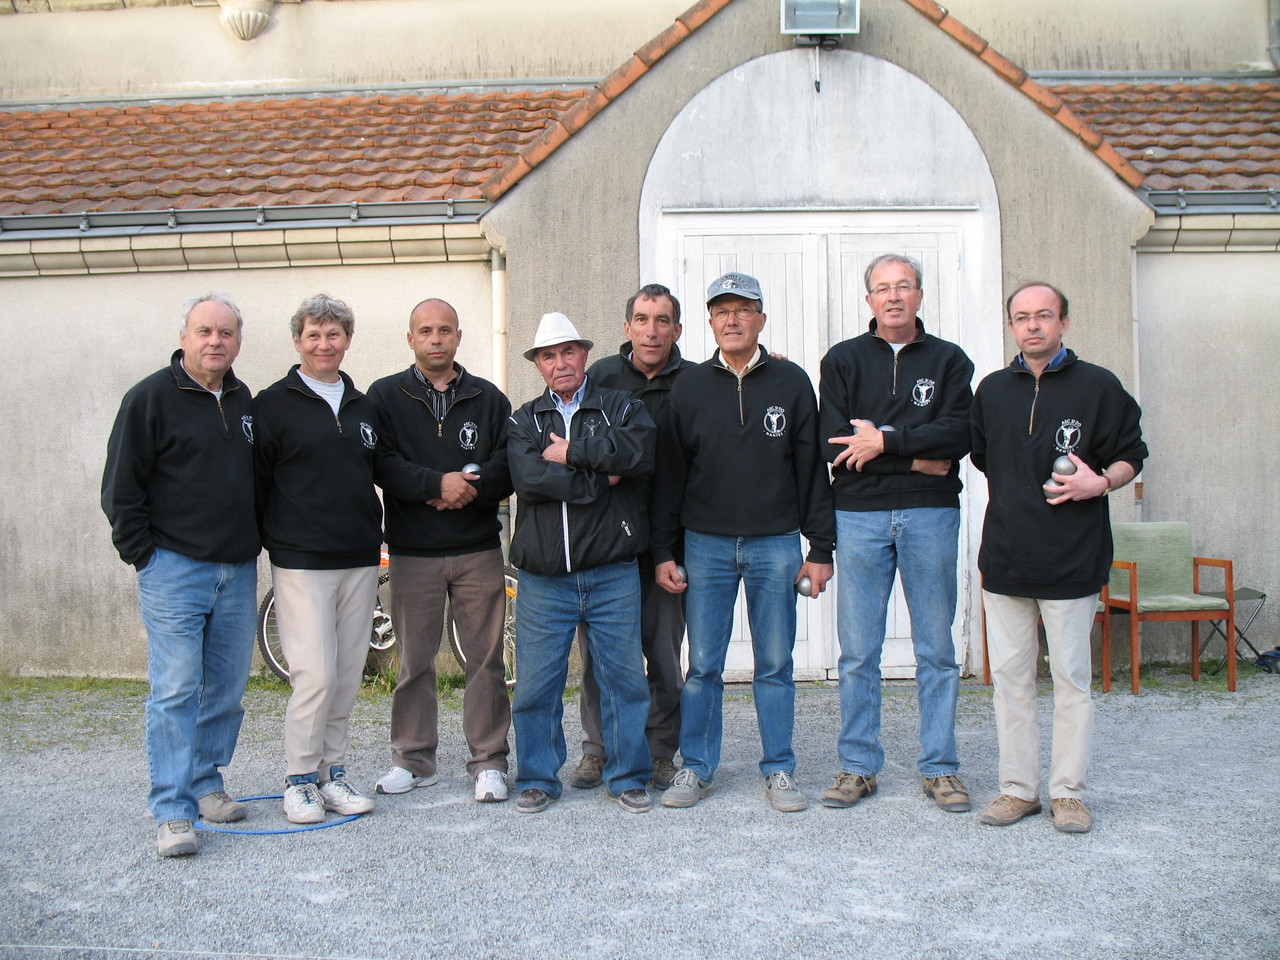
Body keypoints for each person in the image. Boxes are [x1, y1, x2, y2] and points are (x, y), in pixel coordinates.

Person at [651, 271, 835, 813]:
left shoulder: (791, 382)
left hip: (775, 544)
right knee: (704, 664)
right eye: (722, 311)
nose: (732, 320)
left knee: (775, 663)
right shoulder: (689, 387)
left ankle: (779, 768)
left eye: (743, 310)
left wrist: (820, 548)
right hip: (704, 544)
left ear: (761, 318)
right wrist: (663, 551)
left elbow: (811, 469)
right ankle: (696, 766)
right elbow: (670, 476)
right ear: (709, 322)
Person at [971, 281, 1147, 834]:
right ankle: (1017, 790)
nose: (1033, 325)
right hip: (1006, 556)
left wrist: (1102, 482)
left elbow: (1132, 454)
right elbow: (983, 456)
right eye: (1022, 317)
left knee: (1071, 679)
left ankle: (1068, 793)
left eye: (1044, 315)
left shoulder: (1099, 386)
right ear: (1011, 326)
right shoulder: (992, 390)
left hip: (1073, 558)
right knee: (1011, 680)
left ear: (1064, 322)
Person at [102, 292, 260, 857]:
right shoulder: (149, 398)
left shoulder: (243, 401)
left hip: (237, 569)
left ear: (237, 341)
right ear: (184, 337)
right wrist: (144, 556)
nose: (215, 341)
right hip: (173, 568)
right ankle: (172, 812)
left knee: (226, 689)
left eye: (225, 332)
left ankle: (204, 781)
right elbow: (120, 487)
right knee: (174, 690)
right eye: (204, 331)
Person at [818, 254, 975, 813]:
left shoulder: (950, 360)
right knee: (859, 650)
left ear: (919, 296)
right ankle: (858, 766)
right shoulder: (842, 360)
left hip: (930, 514)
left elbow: (958, 434)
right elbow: (836, 443)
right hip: (859, 516)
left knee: (937, 648)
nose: (893, 296)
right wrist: (915, 457)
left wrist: (883, 443)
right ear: (869, 299)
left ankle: (941, 768)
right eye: (882, 288)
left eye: (903, 286)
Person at [507, 312, 657, 814]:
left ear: (585, 354)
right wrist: (600, 477)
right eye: (548, 356)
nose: (560, 363)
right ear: (538, 364)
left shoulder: (621, 406)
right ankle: (537, 778)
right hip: (544, 579)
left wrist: (572, 453)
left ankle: (628, 775)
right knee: (535, 686)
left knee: (624, 682)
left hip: (612, 572)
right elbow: (529, 480)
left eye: (568, 352)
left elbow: (637, 454)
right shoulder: (523, 420)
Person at [368, 298, 514, 804]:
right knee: (414, 661)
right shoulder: (385, 396)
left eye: (445, 330)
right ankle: (413, 760)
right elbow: (381, 462)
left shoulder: (487, 398)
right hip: (414, 552)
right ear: (411, 338)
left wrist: (467, 487)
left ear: (458, 336)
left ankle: (488, 762)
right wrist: (435, 483)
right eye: (426, 330)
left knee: (486, 660)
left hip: (477, 549)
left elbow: (508, 463)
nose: (436, 339)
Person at [253, 293, 384, 824]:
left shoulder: (362, 405)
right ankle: (299, 779)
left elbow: (383, 470)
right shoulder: (271, 405)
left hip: (359, 556)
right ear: (297, 341)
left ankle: (333, 774)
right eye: (313, 334)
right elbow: (256, 482)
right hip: (302, 561)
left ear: (348, 340)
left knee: (347, 673)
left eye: (334, 334)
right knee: (315, 675)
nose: (324, 344)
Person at [570, 283, 693, 794]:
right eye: (642, 319)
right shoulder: (600, 378)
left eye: (662, 320)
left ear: (677, 330)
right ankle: (598, 748)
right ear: (627, 328)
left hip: (668, 544)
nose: (651, 330)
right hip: (607, 543)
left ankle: (660, 751)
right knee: (600, 657)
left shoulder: (694, 382)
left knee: (663, 655)